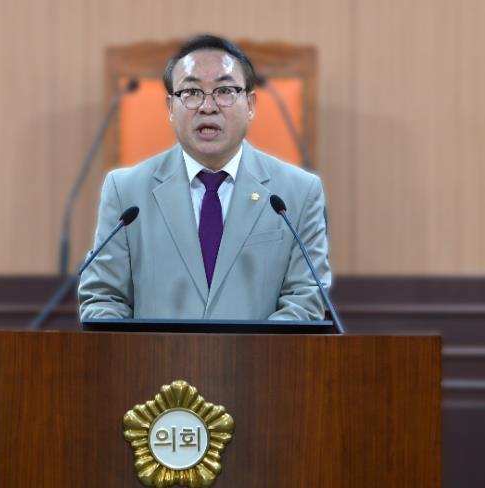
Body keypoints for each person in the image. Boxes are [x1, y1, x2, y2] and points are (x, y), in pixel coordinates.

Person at [78, 34, 331, 321]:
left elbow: (306, 298)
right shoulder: (126, 192)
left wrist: (253, 348)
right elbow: (104, 298)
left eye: (224, 91)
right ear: (170, 108)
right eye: (191, 92)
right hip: (155, 353)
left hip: (260, 353)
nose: (207, 106)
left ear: (250, 104)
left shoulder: (298, 193)